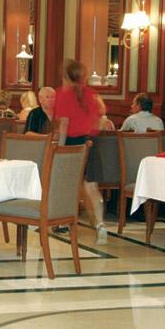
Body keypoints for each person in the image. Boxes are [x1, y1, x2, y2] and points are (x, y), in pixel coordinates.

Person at [55, 59, 107, 244]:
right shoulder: (92, 95)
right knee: (92, 188)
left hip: (72, 144)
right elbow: (101, 117)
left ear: (67, 76)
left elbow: (64, 125)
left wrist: (60, 148)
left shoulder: (63, 95)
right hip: (90, 142)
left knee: (67, 184)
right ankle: (100, 225)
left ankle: (64, 221)